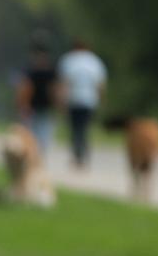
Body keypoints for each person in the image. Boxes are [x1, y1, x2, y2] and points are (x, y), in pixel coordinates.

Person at [57, 39, 107, 169]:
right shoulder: (94, 61)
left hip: (73, 100)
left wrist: (61, 101)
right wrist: (102, 100)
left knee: (75, 128)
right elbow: (100, 84)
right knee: (84, 128)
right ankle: (84, 154)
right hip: (89, 100)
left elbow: (64, 83)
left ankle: (77, 155)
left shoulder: (68, 60)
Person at [16, 41, 58, 159]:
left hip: (36, 106)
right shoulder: (49, 70)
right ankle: (37, 156)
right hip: (38, 106)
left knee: (35, 134)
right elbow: (54, 89)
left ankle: (35, 157)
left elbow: (25, 88)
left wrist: (22, 104)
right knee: (40, 134)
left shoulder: (30, 69)